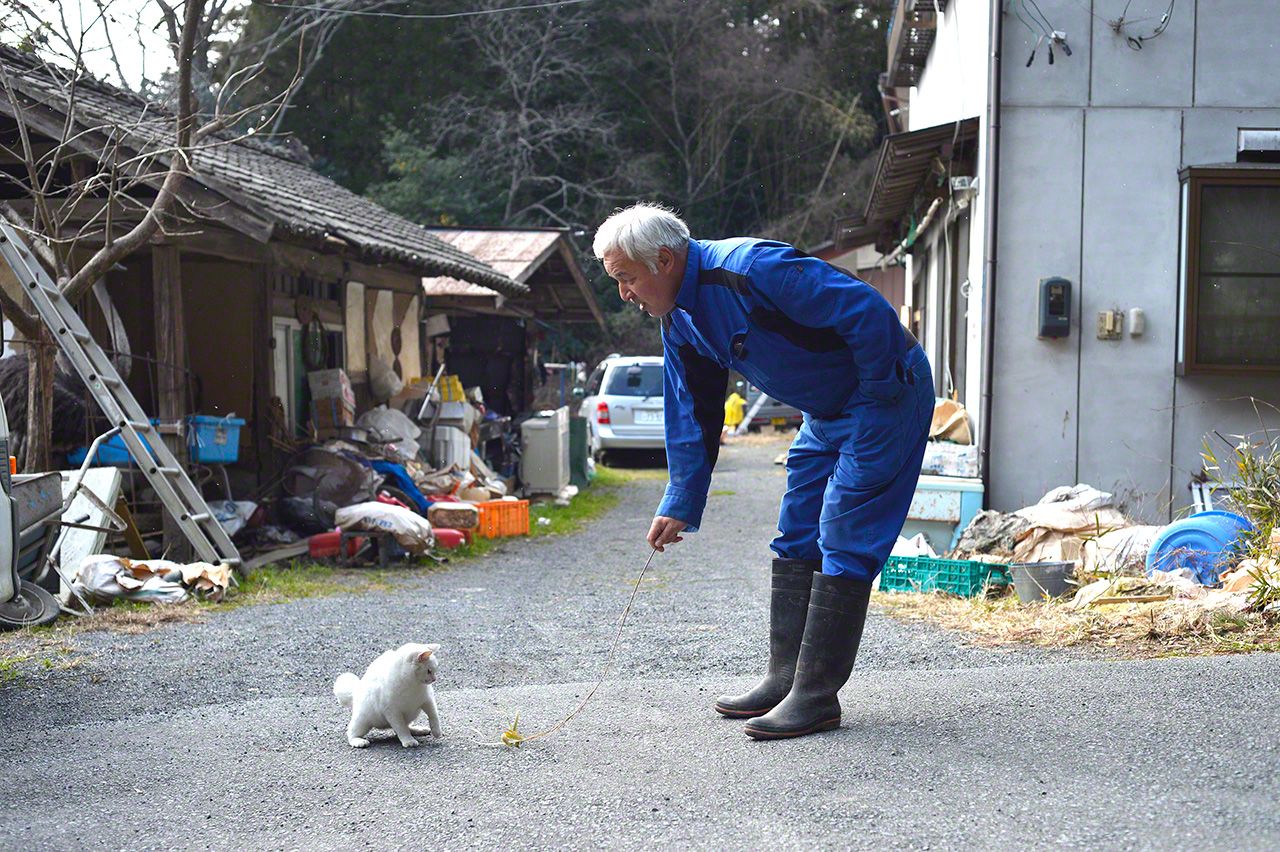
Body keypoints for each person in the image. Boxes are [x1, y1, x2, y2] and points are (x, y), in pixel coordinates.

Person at [593, 203, 933, 740]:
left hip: (884, 393)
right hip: (825, 412)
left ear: (663, 260)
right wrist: (681, 497)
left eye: (626, 278)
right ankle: (783, 679)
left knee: (843, 531)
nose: (624, 294)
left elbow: (865, 312)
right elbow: (693, 409)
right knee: (796, 529)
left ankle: (816, 696)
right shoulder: (679, 318)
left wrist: (874, 391)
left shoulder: (753, 268)